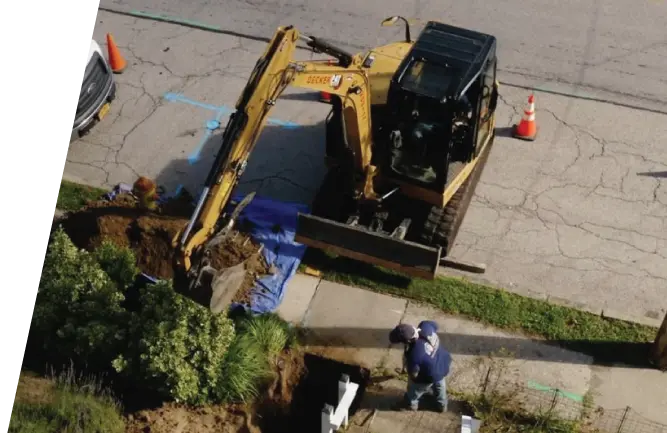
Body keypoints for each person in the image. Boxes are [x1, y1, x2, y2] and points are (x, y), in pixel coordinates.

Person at [389, 321, 452, 412]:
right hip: (443, 362)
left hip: (430, 374)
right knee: (440, 386)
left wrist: (414, 379)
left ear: (407, 341)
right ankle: (442, 406)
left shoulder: (413, 355)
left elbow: (413, 374)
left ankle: (411, 404)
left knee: (415, 388)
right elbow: (435, 325)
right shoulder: (425, 325)